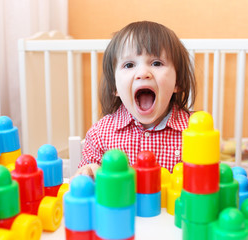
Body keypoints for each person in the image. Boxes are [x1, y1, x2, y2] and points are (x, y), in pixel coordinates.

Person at [76, 21, 196, 178]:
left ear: (178, 81)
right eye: (129, 65)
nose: (143, 73)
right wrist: (89, 172)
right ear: (115, 87)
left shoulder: (194, 131)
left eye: (156, 63)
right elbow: (84, 179)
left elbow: (211, 181)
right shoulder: (100, 135)